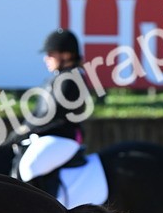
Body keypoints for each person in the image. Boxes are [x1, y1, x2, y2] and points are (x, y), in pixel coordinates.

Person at [16, 28, 100, 183]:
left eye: (50, 54)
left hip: (62, 139)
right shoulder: (56, 78)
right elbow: (38, 113)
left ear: (66, 55)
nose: (46, 58)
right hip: (46, 138)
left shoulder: (72, 79)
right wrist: (22, 130)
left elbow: (53, 114)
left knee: (29, 167)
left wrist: (28, 129)